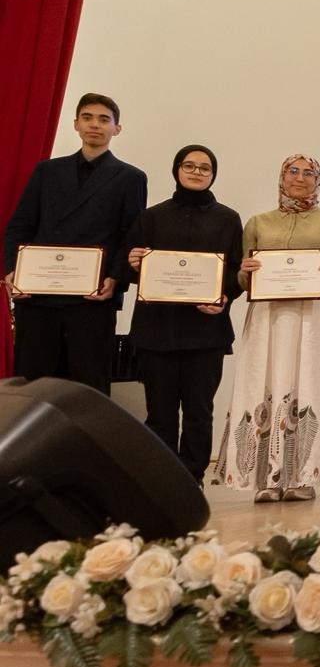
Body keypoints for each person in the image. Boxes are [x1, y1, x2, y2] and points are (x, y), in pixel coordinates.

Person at [214, 155, 320, 502]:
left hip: (317, 317)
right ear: (281, 176)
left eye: (309, 173)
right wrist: (246, 272)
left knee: (310, 384)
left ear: (318, 180)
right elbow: (243, 278)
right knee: (266, 382)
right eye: (293, 171)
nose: (300, 178)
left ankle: (303, 477)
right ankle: (266, 477)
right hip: (268, 317)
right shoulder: (258, 222)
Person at [3, 93, 147, 393]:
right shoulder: (47, 171)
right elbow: (19, 226)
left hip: (92, 301)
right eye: (88, 117)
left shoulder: (130, 178)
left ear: (116, 129)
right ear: (76, 125)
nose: (95, 125)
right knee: (31, 388)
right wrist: (11, 271)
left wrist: (115, 279)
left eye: (104, 119)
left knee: (88, 389)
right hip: (39, 298)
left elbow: (131, 236)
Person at [125, 145, 244, 481]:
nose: (196, 172)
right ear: (176, 169)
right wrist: (133, 262)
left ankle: (192, 479)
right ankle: (163, 480)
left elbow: (236, 270)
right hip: (156, 331)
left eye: (204, 167)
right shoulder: (151, 216)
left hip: (206, 332)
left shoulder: (228, 218)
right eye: (189, 165)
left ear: (213, 174)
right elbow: (131, 268)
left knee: (199, 412)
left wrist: (224, 297)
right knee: (160, 413)